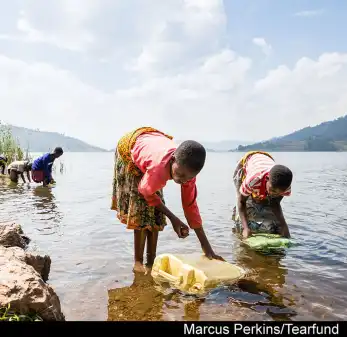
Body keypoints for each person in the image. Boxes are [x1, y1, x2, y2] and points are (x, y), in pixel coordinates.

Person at [111, 127, 223, 273]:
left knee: (156, 210)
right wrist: (173, 218)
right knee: (140, 207)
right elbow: (145, 191)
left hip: (154, 147)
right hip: (130, 146)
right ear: (173, 159)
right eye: (180, 174)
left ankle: (151, 260)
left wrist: (207, 248)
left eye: (188, 178)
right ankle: (138, 262)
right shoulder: (158, 168)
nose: (182, 180)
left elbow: (190, 206)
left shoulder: (186, 173)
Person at [232, 151, 293, 239]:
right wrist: (246, 228)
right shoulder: (253, 180)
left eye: (278, 193)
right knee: (244, 206)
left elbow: (275, 203)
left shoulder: (284, 187)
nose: (274, 193)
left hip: (266, 162)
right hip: (245, 165)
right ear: (267, 178)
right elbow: (241, 201)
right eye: (272, 190)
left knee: (266, 208)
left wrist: (284, 226)